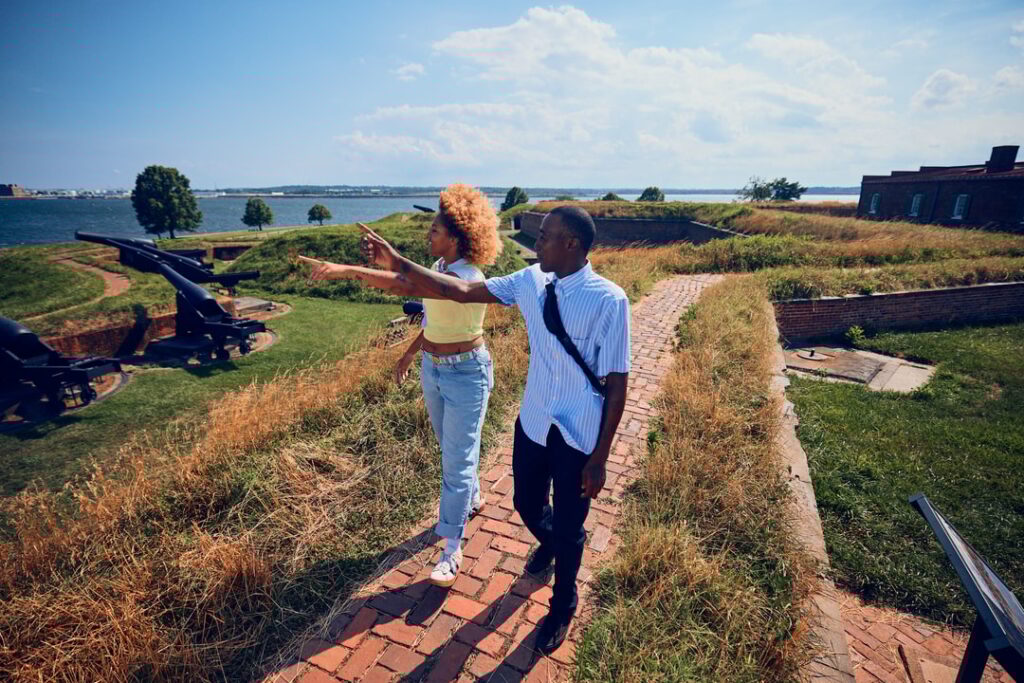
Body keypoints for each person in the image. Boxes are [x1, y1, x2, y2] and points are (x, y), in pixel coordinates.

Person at [345, 205, 630, 655]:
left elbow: (617, 383)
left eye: (545, 237)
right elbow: (459, 290)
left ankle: (562, 603)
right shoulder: (529, 281)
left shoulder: (609, 299)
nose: (535, 244)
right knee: (524, 502)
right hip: (535, 419)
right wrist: (397, 262)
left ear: (571, 244)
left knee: (573, 524)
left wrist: (600, 457)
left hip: (578, 430)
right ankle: (553, 542)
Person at [303, 183, 503, 588]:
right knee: (453, 450)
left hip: (467, 374)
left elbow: (405, 285)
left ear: (456, 237)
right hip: (434, 368)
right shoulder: (444, 271)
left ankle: (451, 548)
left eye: (435, 230)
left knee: (456, 462)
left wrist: (346, 270)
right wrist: (410, 353)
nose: (428, 235)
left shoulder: (467, 276)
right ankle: (473, 497)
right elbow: (431, 319)